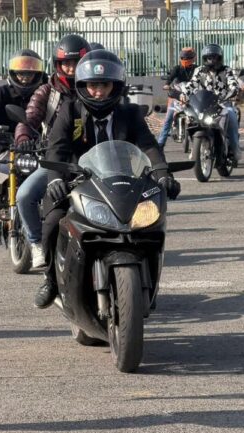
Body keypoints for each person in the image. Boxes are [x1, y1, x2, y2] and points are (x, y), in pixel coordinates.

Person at [33, 49, 181, 309]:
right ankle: (50, 279)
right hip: (78, 182)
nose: (98, 91)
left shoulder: (131, 113)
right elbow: (57, 149)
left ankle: (148, 278)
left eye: (103, 85)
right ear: (82, 86)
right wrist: (55, 180)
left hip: (123, 180)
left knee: (151, 220)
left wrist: (162, 173)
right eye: (92, 85)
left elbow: (149, 146)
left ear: (116, 86)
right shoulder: (69, 111)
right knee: (54, 219)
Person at [13, 34, 91, 269]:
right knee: (24, 196)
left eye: (75, 63)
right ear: (57, 65)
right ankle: (36, 243)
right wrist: (24, 136)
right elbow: (29, 118)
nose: (70, 68)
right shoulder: (46, 91)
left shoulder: (95, 87)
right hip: (54, 160)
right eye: (65, 63)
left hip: (93, 160)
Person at [0, 49, 45, 240]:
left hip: (35, 144)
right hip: (2, 143)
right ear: (13, 73)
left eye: (29, 73)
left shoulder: (44, 91)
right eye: (21, 73)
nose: (24, 78)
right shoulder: (1, 92)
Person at [177, 43, 242, 166]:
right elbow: (192, 84)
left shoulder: (226, 70)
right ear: (204, 59)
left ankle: (234, 148)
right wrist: (183, 94)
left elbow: (233, 83)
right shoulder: (199, 70)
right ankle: (195, 146)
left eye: (214, 57)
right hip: (204, 104)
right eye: (209, 58)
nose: (212, 61)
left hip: (222, 103)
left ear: (219, 58)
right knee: (191, 118)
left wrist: (234, 91)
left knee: (231, 115)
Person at [156, 47, 197, 150]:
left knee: (200, 119)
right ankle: (160, 144)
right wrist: (167, 85)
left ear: (193, 58)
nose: (185, 59)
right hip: (176, 96)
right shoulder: (177, 68)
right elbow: (170, 78)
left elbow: (202, 79)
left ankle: (198, 143)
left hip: (191, 97)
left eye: (187, 57)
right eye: (183, 57)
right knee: (168, 120)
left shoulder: (197, 69)